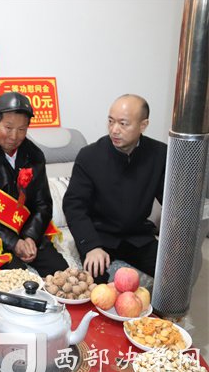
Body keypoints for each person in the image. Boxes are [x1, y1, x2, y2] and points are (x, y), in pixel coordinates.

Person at [0, 92, 68, 277]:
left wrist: (30, 237)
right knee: (16, 280)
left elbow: (43, 204)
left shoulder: (34, 155)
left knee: (62, 274)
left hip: (30, 233)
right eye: (8, 127)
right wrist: (13, 242)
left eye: (22, 129)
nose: (14, 136)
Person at [63, 94, 167, 283]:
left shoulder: (159, 155)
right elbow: (73, 205)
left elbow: (172, 201)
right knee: (94, 280)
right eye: (111, 121)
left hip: (138, 236)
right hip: (100, 235)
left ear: (143, 125)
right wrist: (91, 246)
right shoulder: (90, 156)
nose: (114, 130)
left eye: (123, 124)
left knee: (173, 271)